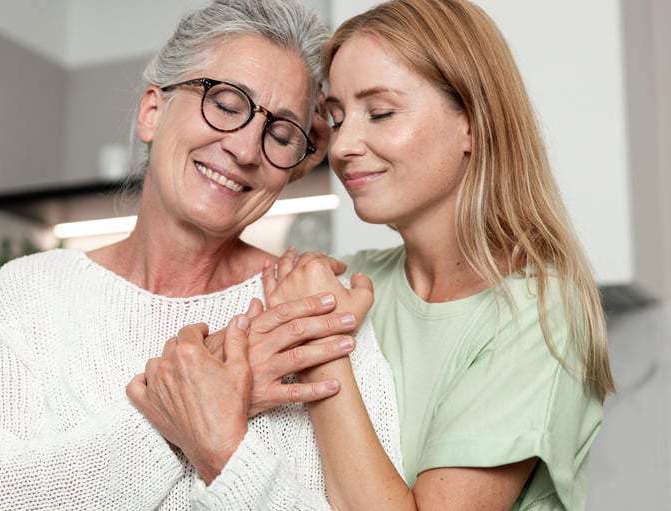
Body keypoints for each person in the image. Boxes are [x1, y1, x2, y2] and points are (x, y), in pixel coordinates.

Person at [0, 1, 402, 509]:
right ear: (153, 111)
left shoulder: (311, 314)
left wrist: (224, 449)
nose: (244, 149)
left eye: (281, 134)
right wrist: (175, 421)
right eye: (227, 103)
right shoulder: (32, 292)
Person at [262, 0, 616, 509]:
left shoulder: (540, 312)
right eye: (336, 119)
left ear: (472, 123)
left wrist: (320, 347)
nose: (342, 147)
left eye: (380, 112)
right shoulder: (344, 280)